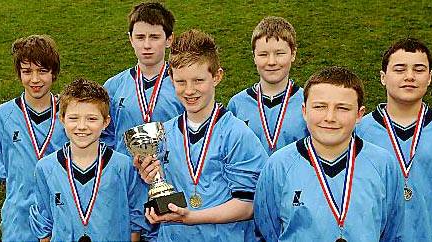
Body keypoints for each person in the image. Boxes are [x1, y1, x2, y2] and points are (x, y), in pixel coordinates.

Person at [137, 29, 268, 242]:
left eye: (198, 80)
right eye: (181, 82)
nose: (189, 90)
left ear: (217, 76)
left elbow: (248, 205)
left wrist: (193, 217)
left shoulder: (237, 134)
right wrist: (150, 179)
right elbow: (162, 190)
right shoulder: (162, 134)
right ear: (171, 78)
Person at [254, 66, 404, 241]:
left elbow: (392, 231)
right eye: (320, 107)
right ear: (304, 111)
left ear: (359, 114)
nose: (330, 117)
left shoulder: (384, 164)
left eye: (342, 108)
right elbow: (267, 230)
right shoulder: (279, 165)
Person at [29, 78, 150, 241]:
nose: (82, 126)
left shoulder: (124, 166)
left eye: (92, 119)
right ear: (62, 119)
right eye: (73, 118)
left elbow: (136, 220)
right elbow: (44, 223)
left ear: (106, 122)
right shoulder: (45, 168)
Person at [357, 38, 432, 241]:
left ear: (430, 77)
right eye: (399, 69)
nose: (409, 76)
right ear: (383, 77)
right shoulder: (358, 132)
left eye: (419, 69)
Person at [0, 35, 68, 241]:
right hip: (18, 217)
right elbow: (4, 163)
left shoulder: (70, 114)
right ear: (19, 74)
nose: (35, 79)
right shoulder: (1, 115)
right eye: (27, 71)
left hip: (61, 210)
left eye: (42, 71)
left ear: (54, 73)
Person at [103, 2, 183, 154]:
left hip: (170, 173)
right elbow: (104, 135)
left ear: (169, 39)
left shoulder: (182, 85)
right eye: (140, 37)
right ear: (131, 39)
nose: (147, 45)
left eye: (154, 37)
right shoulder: (113, 86)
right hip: (126, 174)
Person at [227, 16, 308, 155]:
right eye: (263, 54)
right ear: (254, 57)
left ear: (293, 54)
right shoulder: (237, 104)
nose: (271, 61)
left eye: (279, 53)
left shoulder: (308, 102)